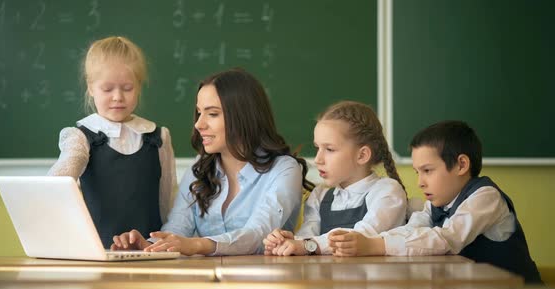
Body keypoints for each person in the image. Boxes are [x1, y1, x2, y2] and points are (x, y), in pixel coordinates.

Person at [111, 68, 314, 255]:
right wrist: (149, 246)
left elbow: (257, 235)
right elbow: (177, 227)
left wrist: (196, 244)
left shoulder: (284, 169)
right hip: (209, 284)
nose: (199, 124)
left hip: (267, 285)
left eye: (213, 114)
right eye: (199, 113)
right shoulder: (200, 167)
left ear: (243, 116)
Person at [329, 120, 542, 284]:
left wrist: (375, 245)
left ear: (461, 165)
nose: (420, 182)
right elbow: (412, 230)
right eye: (417, 172)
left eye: (428, 171)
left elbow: (446, 239)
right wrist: (367, 241)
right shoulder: (437, 203)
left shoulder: (485, 197)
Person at [48, 36, 176, 248]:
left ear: (139, 86)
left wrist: (165, 242)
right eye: (107, 89)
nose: (118, 97)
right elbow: (60, 177)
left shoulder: (159, 137)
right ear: (91, 87)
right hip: (98, 252)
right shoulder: (80, 137)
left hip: (149, 251)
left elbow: (166, 199)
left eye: (127, 88)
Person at [263, 101, 407, 256]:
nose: (318, 159)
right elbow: (307, 238)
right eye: (317, 148)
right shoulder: (320, 196)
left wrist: (307, 244)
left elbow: (359, 237)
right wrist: (286, 242)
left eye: (329, 149)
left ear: (362, 155)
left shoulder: (387, 191)